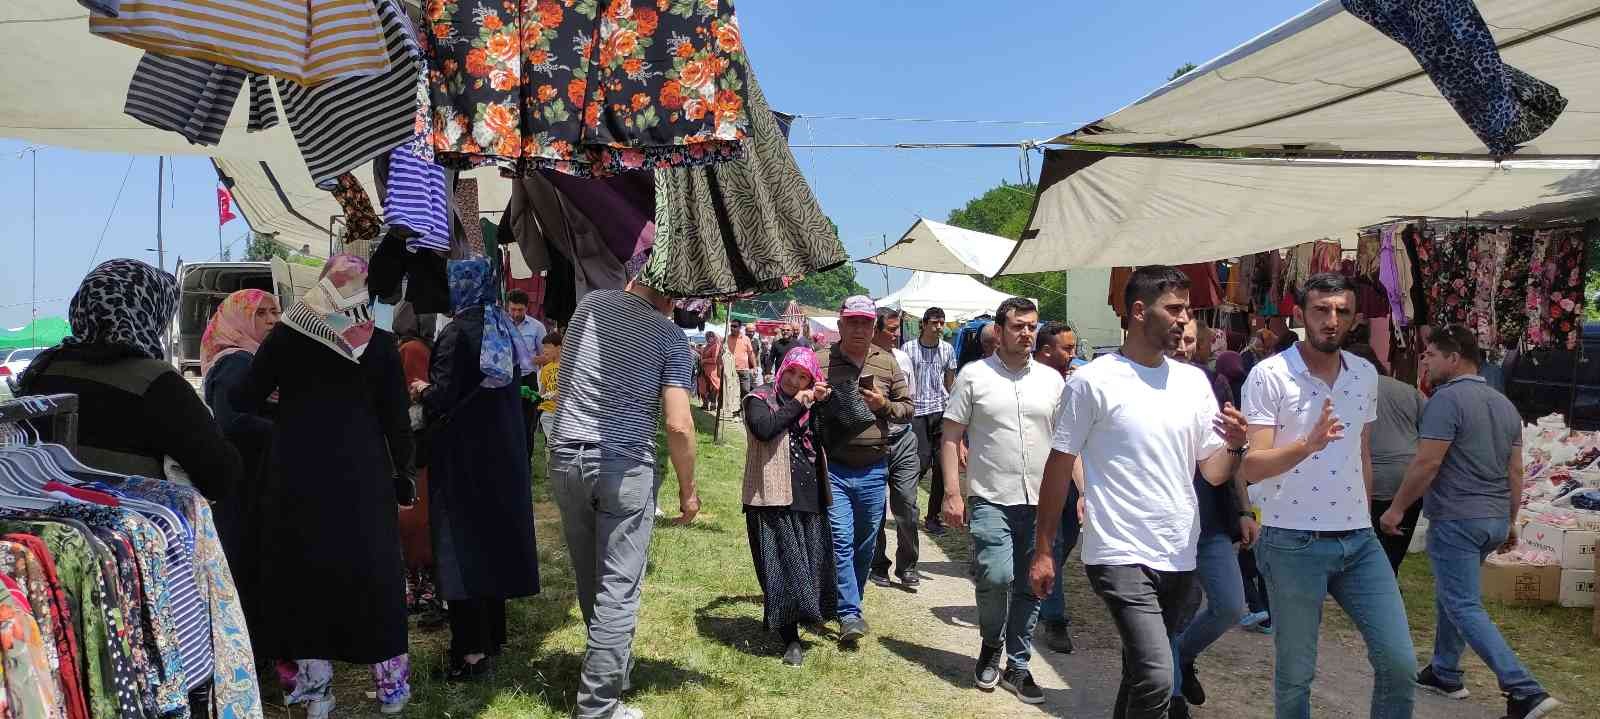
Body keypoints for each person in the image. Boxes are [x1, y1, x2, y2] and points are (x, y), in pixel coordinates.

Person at [1028, 265, 1248, 719]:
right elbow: (1059, 466)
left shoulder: (1193, 383)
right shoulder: (1094, 381)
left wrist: (1236, 443)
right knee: (1157, 676)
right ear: (1139, 311)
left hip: (1178, 552)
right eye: (1175, 309)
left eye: (1186, 310)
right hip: (1118, 551)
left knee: (1139, 672)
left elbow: (1212, 471)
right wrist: (1044, 549)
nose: (1184, 319)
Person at [229, 254, 414, 717]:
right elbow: (396, 420)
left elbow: (246, 397)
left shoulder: (287, 335)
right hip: (362, 474)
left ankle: (315, 694)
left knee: (304, 576)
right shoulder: (378, 342)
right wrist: (405, 472)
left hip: (296, 472)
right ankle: (390, 690)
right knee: (372, 574)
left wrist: (287, 405)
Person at [1237, 272, 1415, 719]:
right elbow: (1250, 465)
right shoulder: (1269, 375)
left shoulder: (1365, 375)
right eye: (1321, 310)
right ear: (1300, 315)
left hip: (1358, 540)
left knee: (1399, 662)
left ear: (1354, 318)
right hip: (1291, 541)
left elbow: (1362, 453)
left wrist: (1369, 520)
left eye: (1341, 311)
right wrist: (1306, 446)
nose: (1331, 320)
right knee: (1296, 674)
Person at [1381, 325, 1561, 719]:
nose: (1424, 362)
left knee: (1462, 602)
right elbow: (1516, 472)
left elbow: (1428, 462)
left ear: (1454, 357)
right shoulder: (1504, 405)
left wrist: (1396, 509)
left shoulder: (1446, 401)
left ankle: (1524, 689)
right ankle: (1445, 671)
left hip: (1458, 517)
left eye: (1430, 355)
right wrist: (1510, 521)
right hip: (1493, 516)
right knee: (1455, 593)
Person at [548, 280, 700, 719]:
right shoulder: (669, 334)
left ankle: (613, 668)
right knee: (618, 590)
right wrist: (688, 491)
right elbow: (678, 424)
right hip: (624, 462)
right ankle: (597, 707)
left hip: (566, 455)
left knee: (590, 577)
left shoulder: (590, 304)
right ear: (674, 292)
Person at [413, 258, 541, 680]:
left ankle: (469, 654)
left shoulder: (456, 333)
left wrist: (422, 389)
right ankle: (493, 638)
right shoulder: (502, 326)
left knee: (462, 550)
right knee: (491, 546)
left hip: (463, 460)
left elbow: (445, 397)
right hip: (501, 456)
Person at [18, 258, 242, 495]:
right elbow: (220, 474)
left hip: (46, 521)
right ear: (151, 311)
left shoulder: (42, 369)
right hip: (134, 522)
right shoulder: (157, 382)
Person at [938, 297, 1062, 705]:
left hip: (1042, 500)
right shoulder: (974, 377)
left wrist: (1082, 492)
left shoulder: (1052, 381)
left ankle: (1019, 665)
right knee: (994, 575)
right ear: (1000, 329)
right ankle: (992, 644)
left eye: (1031, 326)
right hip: (991, 497)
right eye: (1018, 326)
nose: (1026, 333)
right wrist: (953, 492)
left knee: (1034, 583)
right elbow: (951, 435)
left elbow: (1065, 444)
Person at [1170, 320, 1257, 717]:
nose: (1184, 347)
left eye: (1192, 340)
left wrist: (1244, 509)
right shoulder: (1134, 381)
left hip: (1211, 518)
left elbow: (1233, 452)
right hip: (1163, 525)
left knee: (1230, 605)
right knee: (1168, 614)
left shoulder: (1213, 384)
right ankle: (1169, 697)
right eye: (1179, 338)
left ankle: (1183, 657)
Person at [814, 295, 913, 643]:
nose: (859, 328)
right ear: (839, 325)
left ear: (874, 326)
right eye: (852, 322)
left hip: (874, 467)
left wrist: (883, 404)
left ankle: (847, 602)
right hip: (834, 468)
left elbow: (908, 409)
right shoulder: (821, 360)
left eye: (865, 322)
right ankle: (849, 614)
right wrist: (815, 396)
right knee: (840, 539)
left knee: (865, 545)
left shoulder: (887, 362)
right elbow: (795, 395)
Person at [741, 347, 837, 666]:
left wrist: (823, 404)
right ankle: (789, 637)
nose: (796, 381)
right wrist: (800, 402)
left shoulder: (811, 406)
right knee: (781, 568)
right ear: (783, 370)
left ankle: (809, 617)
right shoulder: (759, 398)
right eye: (793, 373)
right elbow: (765, 429)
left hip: (809, 493)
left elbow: (830, 438)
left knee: (808, 565)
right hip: (771, 496)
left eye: (804, 376)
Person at [196, 288, 280, 635]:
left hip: (248, 479)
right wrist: (286, 430)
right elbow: (232, 422)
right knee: (249, 563)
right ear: (238, 319)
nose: (273, 320)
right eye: (261, 313)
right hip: (247, 482)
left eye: (276, 311)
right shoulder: (237, 361)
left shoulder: (249, 357)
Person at [1343, 343, 1425, 575]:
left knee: (1372, 547)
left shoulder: (1350, 392)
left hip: (1372, 478)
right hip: (1410, 477)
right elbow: (1429, 429)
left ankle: (1381, 588)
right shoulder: (1408, 390)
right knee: (1395, 547)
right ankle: (1389, 581)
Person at [1030, 320, 1082, 655]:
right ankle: (1054, 619)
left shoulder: (1076, 382)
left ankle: (1036, 589)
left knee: (1066, 542)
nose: (1074, 354)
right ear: (1047, 350)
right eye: (1068, 348)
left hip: (1073, 474)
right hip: (1041, 476)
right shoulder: (1030, 380)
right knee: (1054, 541)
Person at [393, 304, 442, 619]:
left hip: (411, 444)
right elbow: (416, 397)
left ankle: (418, 583)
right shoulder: (415, 349)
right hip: (418, 444)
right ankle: (421, 585)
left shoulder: (407, 346)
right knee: (419, 516)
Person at [871, 308, 923, 590]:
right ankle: (877, 564)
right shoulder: (863, 359)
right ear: (875, 330)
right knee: (874, 508)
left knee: (906, 504)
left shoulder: (902, 359)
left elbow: (908, 403)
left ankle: (908, 564)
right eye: (891, 329)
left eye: (897, 329)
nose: (896, 335)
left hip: (903, 439)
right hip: (872, 443)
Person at [905, 307, 957, 537]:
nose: (939, 327)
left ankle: (933, 516)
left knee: (941, 466)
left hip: (940, 411)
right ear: (923, 324)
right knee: (921, 461)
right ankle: (907, 508)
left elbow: (950, 383)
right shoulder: (909, 349)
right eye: (935, 323)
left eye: (942, 323)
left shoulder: (947, 349)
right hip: (917, 411)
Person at [507, 290, 547, 460]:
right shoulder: (500, 325)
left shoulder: (537, 327)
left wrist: (527, 359)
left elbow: (547, 356)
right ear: (507, 307)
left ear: (527, 308)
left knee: (526, 424)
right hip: (506, 379)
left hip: (527, 379)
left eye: (520, 310)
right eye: (513, 309)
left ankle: (526, 462)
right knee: (506, 422)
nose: (516, 314)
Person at [537, 331, 563, 446]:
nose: (544, 350)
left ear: (558, 348)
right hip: (548, 412)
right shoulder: (545, 369)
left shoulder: (567, 365)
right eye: (544, 347)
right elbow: (542, 392)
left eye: (548, 347)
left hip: (563, 411)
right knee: (553, 444)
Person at [729, 318, 759, 402]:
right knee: (732, 391)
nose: (732, 328)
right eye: (731, 326)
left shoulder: (746, 339)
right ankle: (734, 408)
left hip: (744, 370)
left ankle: (744, 409)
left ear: (740, 327)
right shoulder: (727, 339)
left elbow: (751, 354)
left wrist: (755, 367)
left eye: (735, 326)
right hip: (731, 370)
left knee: (746, 391)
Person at [699, 330, 723, 410]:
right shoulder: (706, 346)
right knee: (703, 388)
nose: (709, 338)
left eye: (711, 336)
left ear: (714, 337)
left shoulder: (716, 346)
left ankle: (713, 404)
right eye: (707, 336)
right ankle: (705, 404)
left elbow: (714, 359)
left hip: (712, 371)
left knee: (714, 388)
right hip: (704, 370)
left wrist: (704, 360)